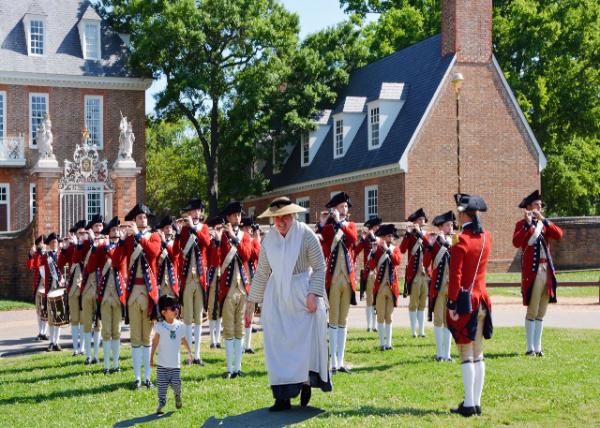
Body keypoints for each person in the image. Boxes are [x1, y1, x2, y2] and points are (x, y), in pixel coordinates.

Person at [245, 197, 331, 412]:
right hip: (277, 297)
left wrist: (313, 293)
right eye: (276, 218)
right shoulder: (268, 240)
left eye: (284, 216)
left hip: (302, 292)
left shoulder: (306, 235)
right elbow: (263, 272)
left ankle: (305, 384)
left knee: (302, 345)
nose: (281, 221)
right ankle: (281, 398)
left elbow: (319, 267)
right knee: (278, 345)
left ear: (292, 215)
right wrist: (251, 302)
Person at [447, 194, 493, 417]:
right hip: (483, 299)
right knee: (479, 353)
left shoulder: (460, 239)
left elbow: (455, 275)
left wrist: (452, 303)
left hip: (466, 301)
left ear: (463, 213)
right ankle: (476, 402)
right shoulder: (486, 237)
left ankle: (469, 404)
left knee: (466, 354)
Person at [512, 190, 564, 356]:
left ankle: (538, 347)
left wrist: (543, 220)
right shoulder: (522, 224)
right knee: (532, 310)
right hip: (533, 273)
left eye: (540, 205)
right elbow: (516, 242)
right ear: (528, 207)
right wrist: (528, 224)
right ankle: (530, 348)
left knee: (542, 310)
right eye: (537, 205)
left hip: (546, 271)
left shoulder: (543, 224)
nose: (539, 207)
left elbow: (559, 234)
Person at [123, 203, 162, 389]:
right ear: (134, 220)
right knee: (135, 337)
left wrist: (138, 236)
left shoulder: (153, 236)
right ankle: (137, 377)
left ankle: (147, 377)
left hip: (147, 293)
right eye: (139, 217)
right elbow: (116, 260)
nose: (143, 220)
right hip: (133, 292)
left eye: (145, 217)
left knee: (147, 337)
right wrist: (124, 238)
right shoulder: (130, 239)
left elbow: (154, 252)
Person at [321, 192, 358, 374]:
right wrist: (324, 223)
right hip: (334, 279)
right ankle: (332, 362)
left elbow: (353, 238)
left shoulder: (349, 225)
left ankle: (340, 361)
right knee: (333, 320)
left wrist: (339, 223)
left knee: (343, 321)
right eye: (341, 207)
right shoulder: (329, 228)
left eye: (345, 207)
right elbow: (324, 243)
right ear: (334, 209)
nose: (345, 210)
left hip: (347, 279)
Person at [173, 198, 211, 366]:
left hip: (200, 278)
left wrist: (194, 228)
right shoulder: (184, 230)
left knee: (198, 318)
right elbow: (176, 251)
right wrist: (179, 231)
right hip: (187, 278)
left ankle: (197, 354)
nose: (196, 213)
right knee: (187, 318)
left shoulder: (203, 228)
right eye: (193, 211)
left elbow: (207, 243)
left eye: (198, 210)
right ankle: (189, 355)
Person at [218, 201, 252, 379]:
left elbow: (247, 254)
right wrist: (227, 235)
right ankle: (230, 368)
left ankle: (238, 368)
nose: (238, 218)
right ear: (228, 218)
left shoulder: (245, 236)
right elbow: (221, 255)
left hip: (242, 288)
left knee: (240, 328)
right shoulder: (222, 236)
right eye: (234, 215)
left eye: (239, 215)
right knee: (229, 329)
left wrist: (236, 237)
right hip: (228, 287)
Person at [93, 217, 128, 374]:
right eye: (113, 230)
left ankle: (116, 365)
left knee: (117, 332)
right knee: (106, 332)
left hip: (119, 294)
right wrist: (96, 247)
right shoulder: (102, 248)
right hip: (105, 296)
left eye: (117, 230)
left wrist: (119, 244)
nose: (116, 232)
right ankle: (107, 366)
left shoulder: (123, 248)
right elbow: (90, 267)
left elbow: (119, 264)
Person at [151, 295, 193, 415]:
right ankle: (161, 403)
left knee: (176, 384)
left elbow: (183, 340)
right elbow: (154, 343)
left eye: (177, 307)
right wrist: (151, 358)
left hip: (175, 365)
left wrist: (190, 353)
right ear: (164, 312)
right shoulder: (160, 327)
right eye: (173, 308)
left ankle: (177, 395)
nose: (176, 310)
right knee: (162, 387)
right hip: (162, 365)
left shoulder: (180, 325)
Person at [428, 211, 456, 362]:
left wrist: (446, 243)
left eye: (452, 224)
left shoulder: (456, 240)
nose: (451, 227)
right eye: (448, 225)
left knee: (449, 321)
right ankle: (440, 354)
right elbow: (427, 261)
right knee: (439, 319)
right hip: (439, 287)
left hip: (452, 286)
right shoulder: (435, 242)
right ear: (441, 227)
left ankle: (448, 354)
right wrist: (430, 244)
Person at [368, 224, 402, 351]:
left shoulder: (395, 249)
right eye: (388, 236)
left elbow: (397, 261)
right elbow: (371, 266)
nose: (391, 237)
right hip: (380, 287)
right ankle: (382, 343)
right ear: (383, 237)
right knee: (380, 316)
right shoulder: (377, 250)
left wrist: (388, 250)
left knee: (389, 316)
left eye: (392, 236)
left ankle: (389, 343)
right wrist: (373, 252)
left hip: (392, 287)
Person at [400, 208, 431, 338]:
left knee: (423, 303)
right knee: (413, 303)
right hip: (414, 274)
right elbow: (402, 250)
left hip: (426, 274)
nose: (422, 221)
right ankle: (413, 331)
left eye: (423, 219)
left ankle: (422, 330)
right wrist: (408, 234)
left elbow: (429, 245)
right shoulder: (411, 235)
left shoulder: (428, 235)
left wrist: (420, 234)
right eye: (419, 219)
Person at [81, 214, 105, 364]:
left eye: (101, 226)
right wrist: (88, 241)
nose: (99, 229)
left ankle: (96, 355)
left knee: (99, 323)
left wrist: (97, 243)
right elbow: (77, 258)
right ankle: (87, 356)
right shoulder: (85, 243)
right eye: (96, 226)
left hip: (100, 286)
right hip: (87, 286)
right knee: (87, 322)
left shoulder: (104, 242)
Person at [63, 220, 88, 356]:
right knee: (74, 319)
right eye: (79, 233)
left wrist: (79, 244)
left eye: (83, 232)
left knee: (84, 318)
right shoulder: (72, 247)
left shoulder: (87, 245)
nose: (82, 235)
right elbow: (60, 262)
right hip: (73, 286)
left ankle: (83, 347)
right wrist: (64, 248)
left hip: (85, 285)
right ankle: (75, 348)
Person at [354, 215, 382, 332]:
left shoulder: (380, 240)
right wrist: (363, 239)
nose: (377, 229)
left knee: (378, 300)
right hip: (370, 273)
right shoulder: (366, 240)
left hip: (380, 272)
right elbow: (355, 251)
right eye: (376, 227)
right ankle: (369, 326)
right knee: (370, 300)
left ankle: (375, 325)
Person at [41, 233, 66, 351]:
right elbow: (41, 271)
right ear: (49, 245)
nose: (54, 244)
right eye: (52, 242)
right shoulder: (46, 256)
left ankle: (57, 342)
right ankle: (51, 342)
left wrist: (63, 279)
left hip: (60, 289)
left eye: (55, 242)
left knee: (59, 316)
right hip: (50, 289)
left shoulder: (62, 254)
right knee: (51, 317)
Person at [240, 216, 260, 354]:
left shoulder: (253, 242)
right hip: (240, 281)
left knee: (250, 313)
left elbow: (256, 254)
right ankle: (240, 344)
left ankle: (247, 345)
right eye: (246, 228)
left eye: (250, 228)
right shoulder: (238, 240)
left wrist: (252, 241)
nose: (248, 230)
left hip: (251, 281)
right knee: (240, 313)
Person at [206, 216, 225, 349]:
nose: (220, 231)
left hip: (223, 276)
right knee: (212, 308)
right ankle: (212, 340)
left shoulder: (226, 241)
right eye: (218, 228)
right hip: (213, 277)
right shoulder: (211, 242)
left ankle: (218, 339)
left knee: (221, 309)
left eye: (221, 228)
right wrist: (216, 243)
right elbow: (212, 260)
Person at [27, 235, 48, 341]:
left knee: (47, 310)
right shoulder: (36, 255)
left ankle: (45, 332)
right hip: (39, 285)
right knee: (39, 310)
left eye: (44, 242)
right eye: (41, 242)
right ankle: (41, 332)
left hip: (47, 285)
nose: (42, 244)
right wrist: (31, 255)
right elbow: (31, 266)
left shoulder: (48, 254)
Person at [156, 215, 179, 299]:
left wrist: (165, 243)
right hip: (161, 279)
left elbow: (174, 257)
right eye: (166, 228)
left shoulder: (174, 243)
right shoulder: (158, 244)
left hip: (172, 278)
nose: (169, 229)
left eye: (170, 227)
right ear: (162, 230)